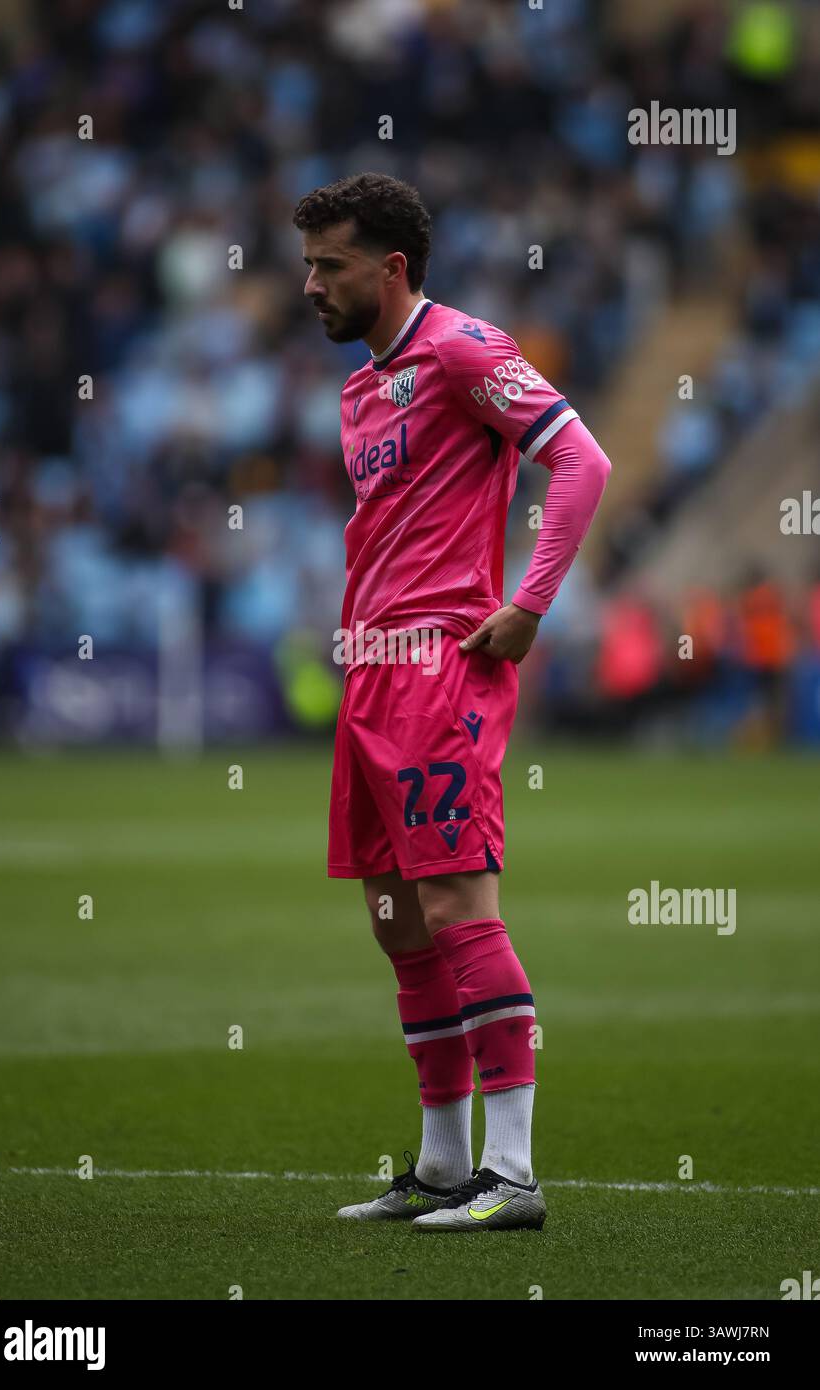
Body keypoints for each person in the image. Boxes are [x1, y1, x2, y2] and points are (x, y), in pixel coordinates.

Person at [293, 172, 611, 1231]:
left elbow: (579, 460)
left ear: (388, 269)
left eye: (327, 266)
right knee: (396, 924)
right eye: (304, 264)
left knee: (453, 907)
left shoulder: (465, 349)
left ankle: (510, 1175)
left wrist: (527, 604)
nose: (307, 286)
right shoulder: (359, 387)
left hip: (443, 664)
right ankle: (439, 1166)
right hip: (370, 672)